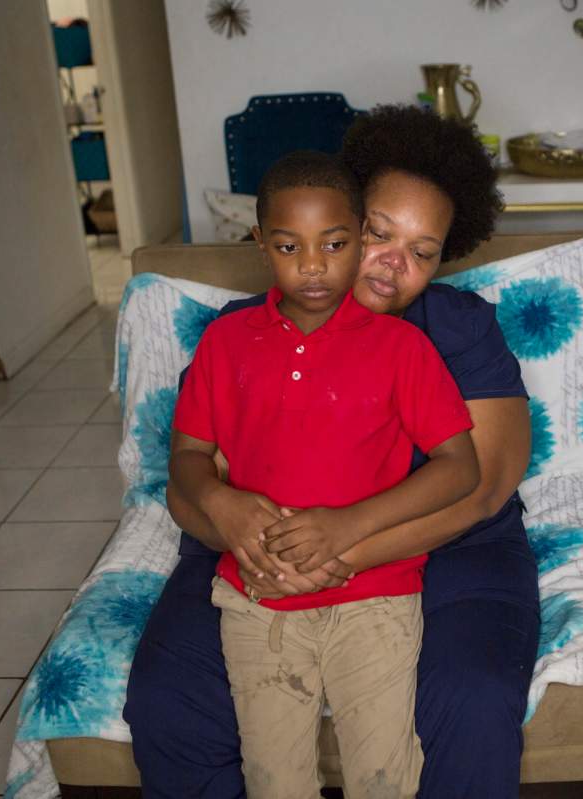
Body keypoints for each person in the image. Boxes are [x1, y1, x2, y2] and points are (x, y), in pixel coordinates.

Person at [125, 105, 540, 799]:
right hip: (259, 559)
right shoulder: (239, 336)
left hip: (454, 547)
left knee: (470, 698)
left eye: (422, 250)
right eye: (378, 233)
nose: (390, 265)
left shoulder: (456, 329)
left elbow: (480, 487)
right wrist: (237, 534)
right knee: (169, 695)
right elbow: (190, 480)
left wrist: (334, 555)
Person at [171, 149, 480, 798]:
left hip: (376, 599)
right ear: (260, 243)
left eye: (335, 243)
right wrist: (221, 506)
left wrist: (347, 526)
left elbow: (460, 468)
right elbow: (187, 459)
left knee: (384, 776)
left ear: (360, 236)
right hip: (260, 601)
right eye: (289, 246)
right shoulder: (226, 344)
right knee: (274, 781)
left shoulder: (401, 348)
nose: (312, 265)